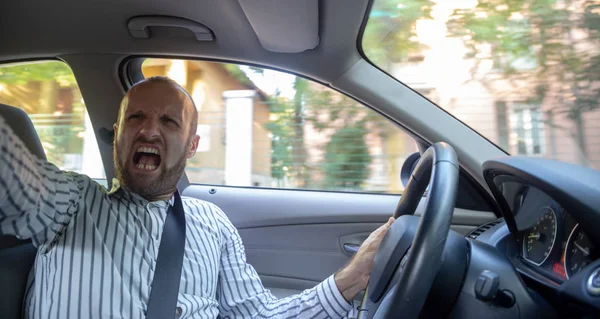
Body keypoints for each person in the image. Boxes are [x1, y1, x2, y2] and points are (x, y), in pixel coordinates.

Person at [0, 76, 394, 318]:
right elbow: (16, 182)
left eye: (169, 122)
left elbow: (258, 315)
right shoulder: (72, 202)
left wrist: (350, 279)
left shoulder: (212, 223)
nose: (149, 132)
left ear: (192, 146)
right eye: (136, 118)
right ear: (118, 133)